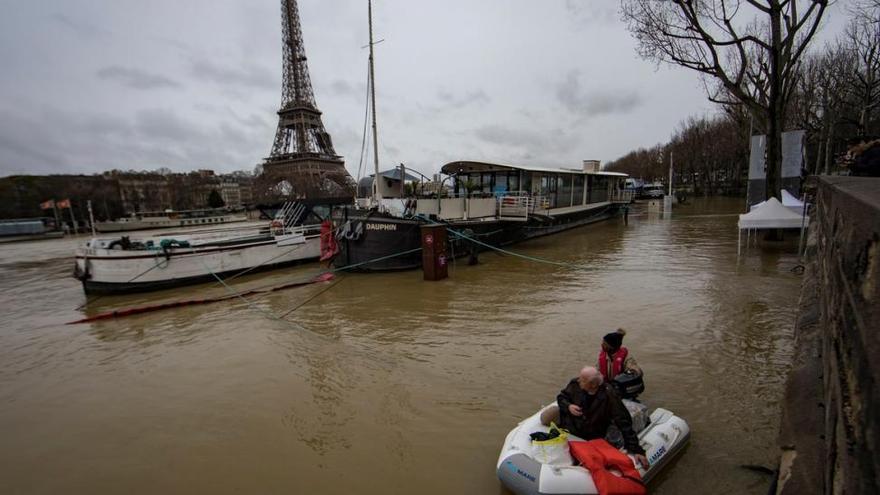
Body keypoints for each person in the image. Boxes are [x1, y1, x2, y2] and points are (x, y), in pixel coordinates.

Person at [557, 366, 649, 468]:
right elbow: (562, 397)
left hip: (594, 434)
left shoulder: (609, 395)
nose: (579, 381)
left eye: (582, 380)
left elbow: (623, 421)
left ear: (593, 384)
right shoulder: (575, 384)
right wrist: (569, 406)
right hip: (572, 430)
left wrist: (636, 449)